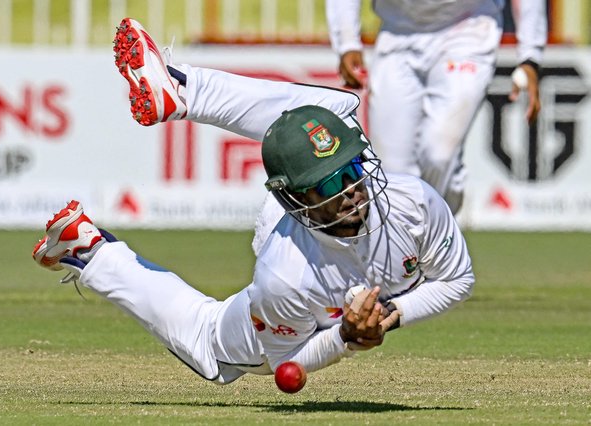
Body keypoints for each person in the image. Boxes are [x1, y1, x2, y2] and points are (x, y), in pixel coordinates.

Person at [32, 18, 475, 385]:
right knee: (206, 339)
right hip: (284, 315)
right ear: (298, 200)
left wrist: (389, 316)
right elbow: (292, 362)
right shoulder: (284, 275)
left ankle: (186, 90)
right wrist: (344, 336)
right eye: (330, 183)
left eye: (353, 170)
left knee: (338, 110)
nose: (351, 189)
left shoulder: (412, 201)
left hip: (319, 253)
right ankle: (89, 249)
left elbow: (457, 279)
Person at [326, 0, 547, 214]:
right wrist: (346, 42)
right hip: (397, 32)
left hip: (469, 28)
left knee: (438, 155)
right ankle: (407, 243)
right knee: (391, 171)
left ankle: (439, 233)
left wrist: (530, 56)